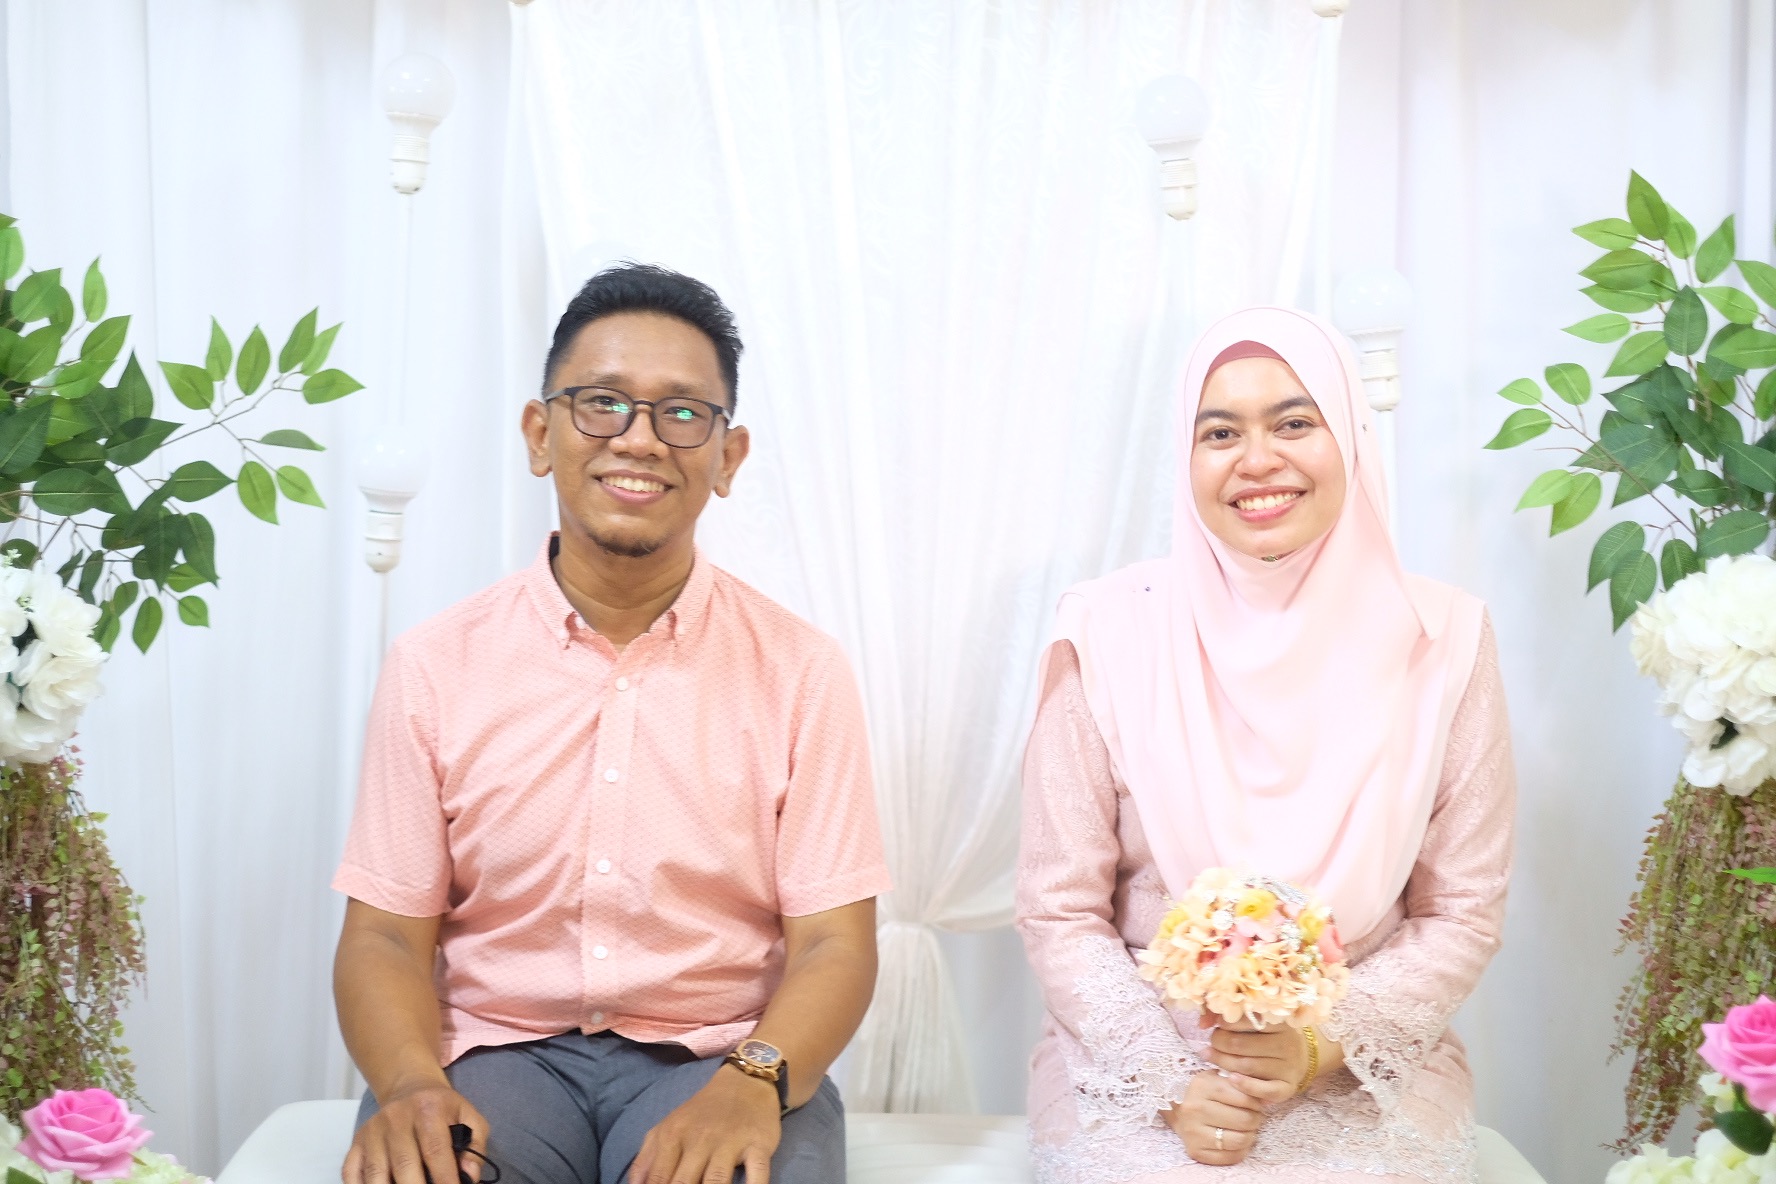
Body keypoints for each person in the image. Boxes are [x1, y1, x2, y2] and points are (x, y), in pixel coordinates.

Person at [331, 264, 890, 1184]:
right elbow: (385, 937)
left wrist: (754, 1080)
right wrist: (409, 1086)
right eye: (602, 403)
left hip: (722, 1056)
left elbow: (835, 943)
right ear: (539, 434)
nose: (639, 438)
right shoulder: (434, 664)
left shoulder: (801, 669)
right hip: (493, 1055)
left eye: (682, 413)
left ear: (728, 457)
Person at [1017, 306, 1515, 1184]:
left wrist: (1319, 1044)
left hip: (1361, 1057)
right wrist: (1169, 1082)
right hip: (1144, 1048)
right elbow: (1061, 909)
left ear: (1349, 437)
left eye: (1293, 423)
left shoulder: (1445, 639)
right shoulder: (1104, 632)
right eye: (1221, 433)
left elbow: (1461, 911)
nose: (1258, 461)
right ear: (1187, 457)